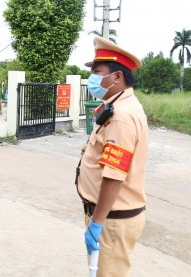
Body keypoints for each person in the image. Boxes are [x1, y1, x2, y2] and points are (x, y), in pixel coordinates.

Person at [76, 36, 148, 277]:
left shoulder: (121, 116)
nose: (92, 78)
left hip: (110, 220)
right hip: (108, 215)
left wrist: (96, 223)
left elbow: (114, 176)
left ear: (117, 77)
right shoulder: (117, 106)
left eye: (97, 72)